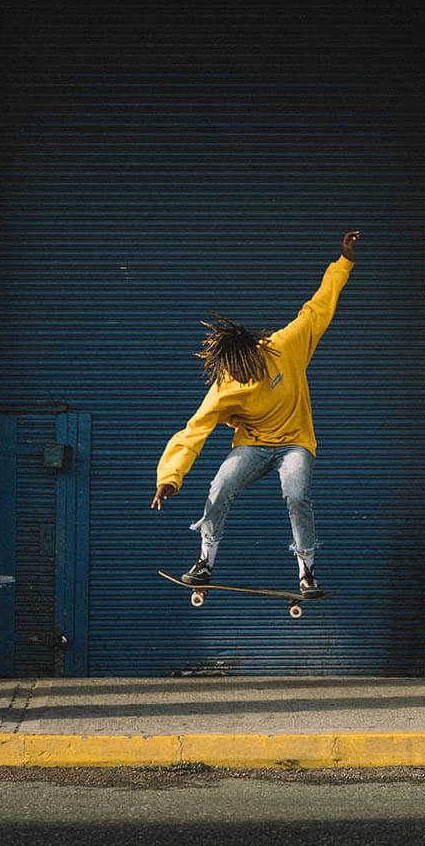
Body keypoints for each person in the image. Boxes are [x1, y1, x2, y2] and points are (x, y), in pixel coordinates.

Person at [151, 230, 360, 597]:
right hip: (254, 445)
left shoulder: (284, 346)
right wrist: (170, 475)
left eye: (246, 371)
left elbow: (318, 308)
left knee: (296, 494)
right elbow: (193, 432)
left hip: (295, 442)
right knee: (221, 485)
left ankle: (307, 571)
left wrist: (343, 263)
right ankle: (204, 561)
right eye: (235, 375)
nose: (242, 379)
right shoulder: (225, 387)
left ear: (255, 353)